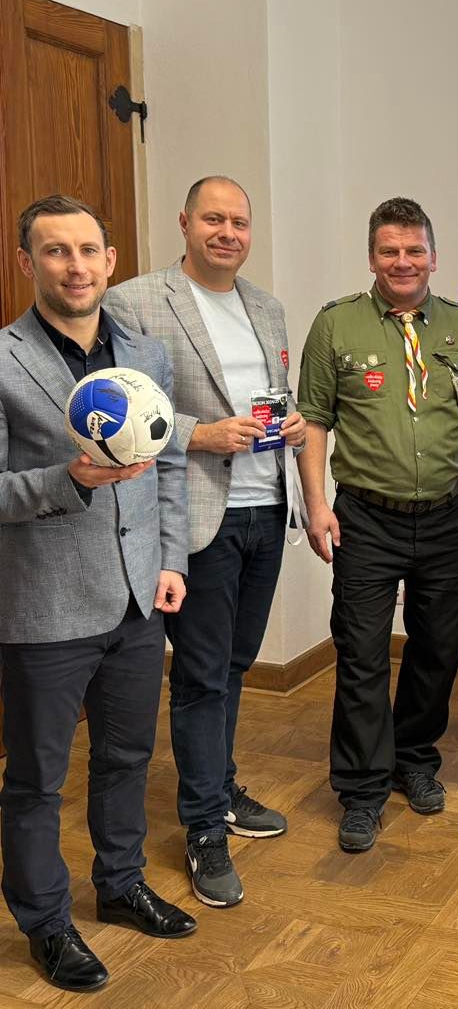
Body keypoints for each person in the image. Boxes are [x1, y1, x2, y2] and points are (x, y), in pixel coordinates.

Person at [0, 195, 196, 992]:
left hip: (136, 599)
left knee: (126, 756)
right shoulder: (4, 360)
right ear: (27, 262)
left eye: (88, 250)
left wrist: (171, 559)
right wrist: (69, 479)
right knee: (36, 782)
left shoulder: (146, 355)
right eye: (56, 251)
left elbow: (170, 465)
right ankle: (46, 922)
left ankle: (119, 885)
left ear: (111, 261)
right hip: (45, 607)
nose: (75, 266)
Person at [107, 176, 306, 908]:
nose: (228, 232)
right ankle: (202, 828)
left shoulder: (267, 307)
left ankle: (219, 788)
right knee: (200, 676)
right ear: (185, 222)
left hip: (265, 508)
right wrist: (200, 434)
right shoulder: (134, 301)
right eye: (214, 219)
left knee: (235, 663)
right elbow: (119, 410)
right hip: (195, 516)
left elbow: (274, 399)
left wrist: (292, 424)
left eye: (239, 222)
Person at [297, 196, 458, 853]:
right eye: (390, 251)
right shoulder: (336, 325)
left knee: (439, 646)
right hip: (364, 519)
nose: (402, 262)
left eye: (414, 250)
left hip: (445, 515)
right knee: (360, 653)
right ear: (372, 257)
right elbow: (314, 420)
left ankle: (413, 757)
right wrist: (316, 504)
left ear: (433, 257)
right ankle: (361, 790)